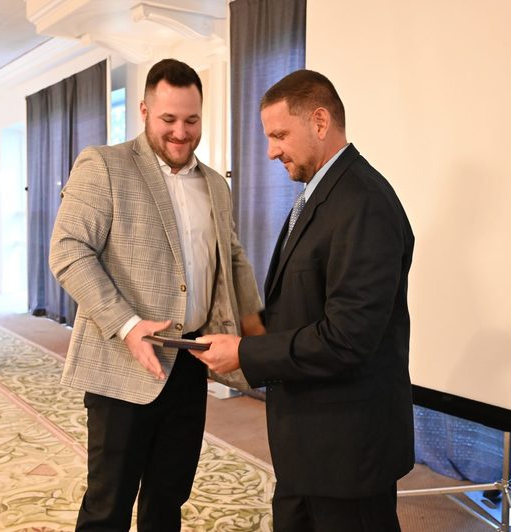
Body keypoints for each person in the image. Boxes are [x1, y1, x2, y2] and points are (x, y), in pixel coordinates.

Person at [192, 69, 415, 531]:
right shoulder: (322, 195)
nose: (271, 150)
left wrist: (246, 353)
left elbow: (347, 338)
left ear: (319, 122)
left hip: (348, 453)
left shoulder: (364, 202)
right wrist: (251, 328)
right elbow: (305, 300)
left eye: (279, 135)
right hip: (310, 446)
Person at [49, 58, 264, 532]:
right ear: (144, 110)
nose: (180, 133)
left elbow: (232, 259)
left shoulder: (214, 184)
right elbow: (67, 251)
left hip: (190, 362)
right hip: (123, 364)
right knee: (108, 504)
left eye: (191, 121)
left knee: (168, 499)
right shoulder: (104, 165)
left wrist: (256, 332)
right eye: (168, 119)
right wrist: (127, 325)